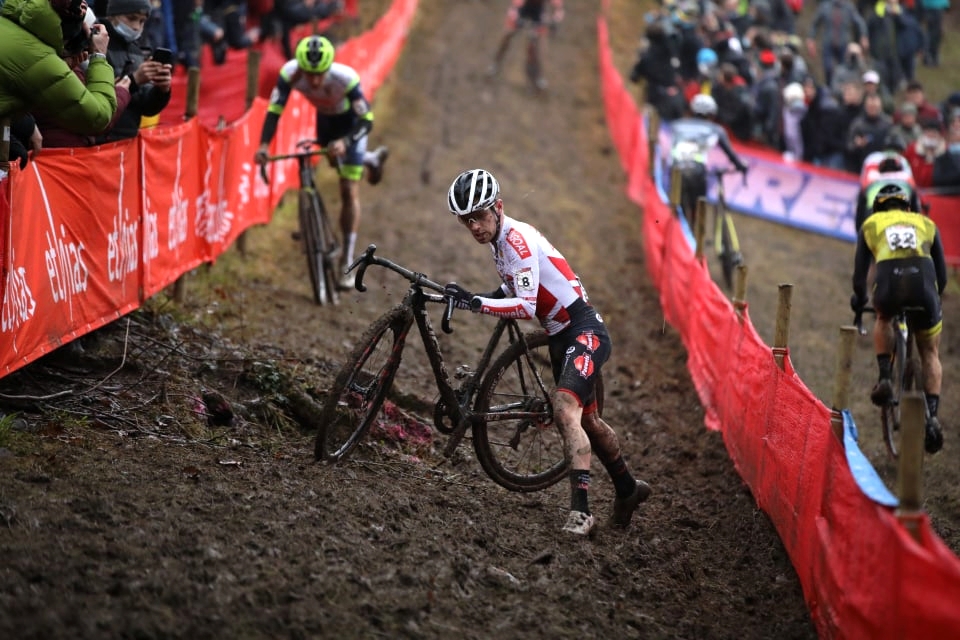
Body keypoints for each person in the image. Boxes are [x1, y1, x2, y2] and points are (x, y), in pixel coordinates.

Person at [441, 168, 652, 536]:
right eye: (466, 220)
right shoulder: (498, 241)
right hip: (559, 336)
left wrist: (476, 303)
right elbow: (514, 295)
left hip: (583, 331)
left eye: (480, 216)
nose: (474, 226)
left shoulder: (516, 240)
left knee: (564, 410)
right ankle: (628, 489)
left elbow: (524, 307)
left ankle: (582, 512)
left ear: (499, 207)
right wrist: (471, 298)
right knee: (589, 421)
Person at [254, 35, 389, 290]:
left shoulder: (345, 78)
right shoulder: (290, 73)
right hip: (325, 122)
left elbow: (367, 120)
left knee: (348, 187)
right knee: (333, 161)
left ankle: (347, 263)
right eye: (309, 74)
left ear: (329, 67)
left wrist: (347, 142)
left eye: (320, 74)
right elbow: (274, 111)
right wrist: (262, 145)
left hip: (351, 126)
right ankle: (369, 159)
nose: (314, 81)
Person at [851, 182, 946, 454]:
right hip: (925, 285)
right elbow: (942, 277)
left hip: (890, 284)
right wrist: (933, 302)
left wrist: (859, 301)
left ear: (878, 207)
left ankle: (885, 378)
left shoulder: (871, 223)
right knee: (930, 352)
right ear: (907, 207)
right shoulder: (925, 222)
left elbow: (860, 278)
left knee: (883, 317)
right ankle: (933, 416)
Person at [0, 0, 117, 152]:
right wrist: (99, 56)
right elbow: (97, 117)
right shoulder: (39, 59)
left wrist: (60, 66)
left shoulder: (8, 25)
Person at [669, 93, 749, 234]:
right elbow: (730, 154)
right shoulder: (716, 129)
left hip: (675, 168)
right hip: (697, 171)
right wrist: (740, 166)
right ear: (712, 113)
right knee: (697, 208)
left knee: (677, 207)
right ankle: (694, 238)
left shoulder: (677, 125)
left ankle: (675, 235)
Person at [97, 0, 172, 142]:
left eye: (142, 21)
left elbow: (146, 107)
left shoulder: (137, 50)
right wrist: (134, 80)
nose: (136, 27)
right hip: (101, 141)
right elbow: (98, 101)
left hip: (127, 141)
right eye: (131, 18)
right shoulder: (97, 44)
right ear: (113, 15)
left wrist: (161, 90)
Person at [488, 0, 564, 90]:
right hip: (522, 7)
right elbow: (515, 6)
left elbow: (558, 8)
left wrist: (554, 21)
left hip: (538, 11)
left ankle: (538, 76)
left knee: (535, 43)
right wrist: (516, 18)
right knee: (508, 34)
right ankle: (496, 63)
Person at [854, 148, 920, 230]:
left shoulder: (871, 177)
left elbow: (860, 209)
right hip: (901, 214)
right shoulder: (907, 178)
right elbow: (916, 208)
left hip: (874, 213)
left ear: (881, 170)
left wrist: (859, 232)